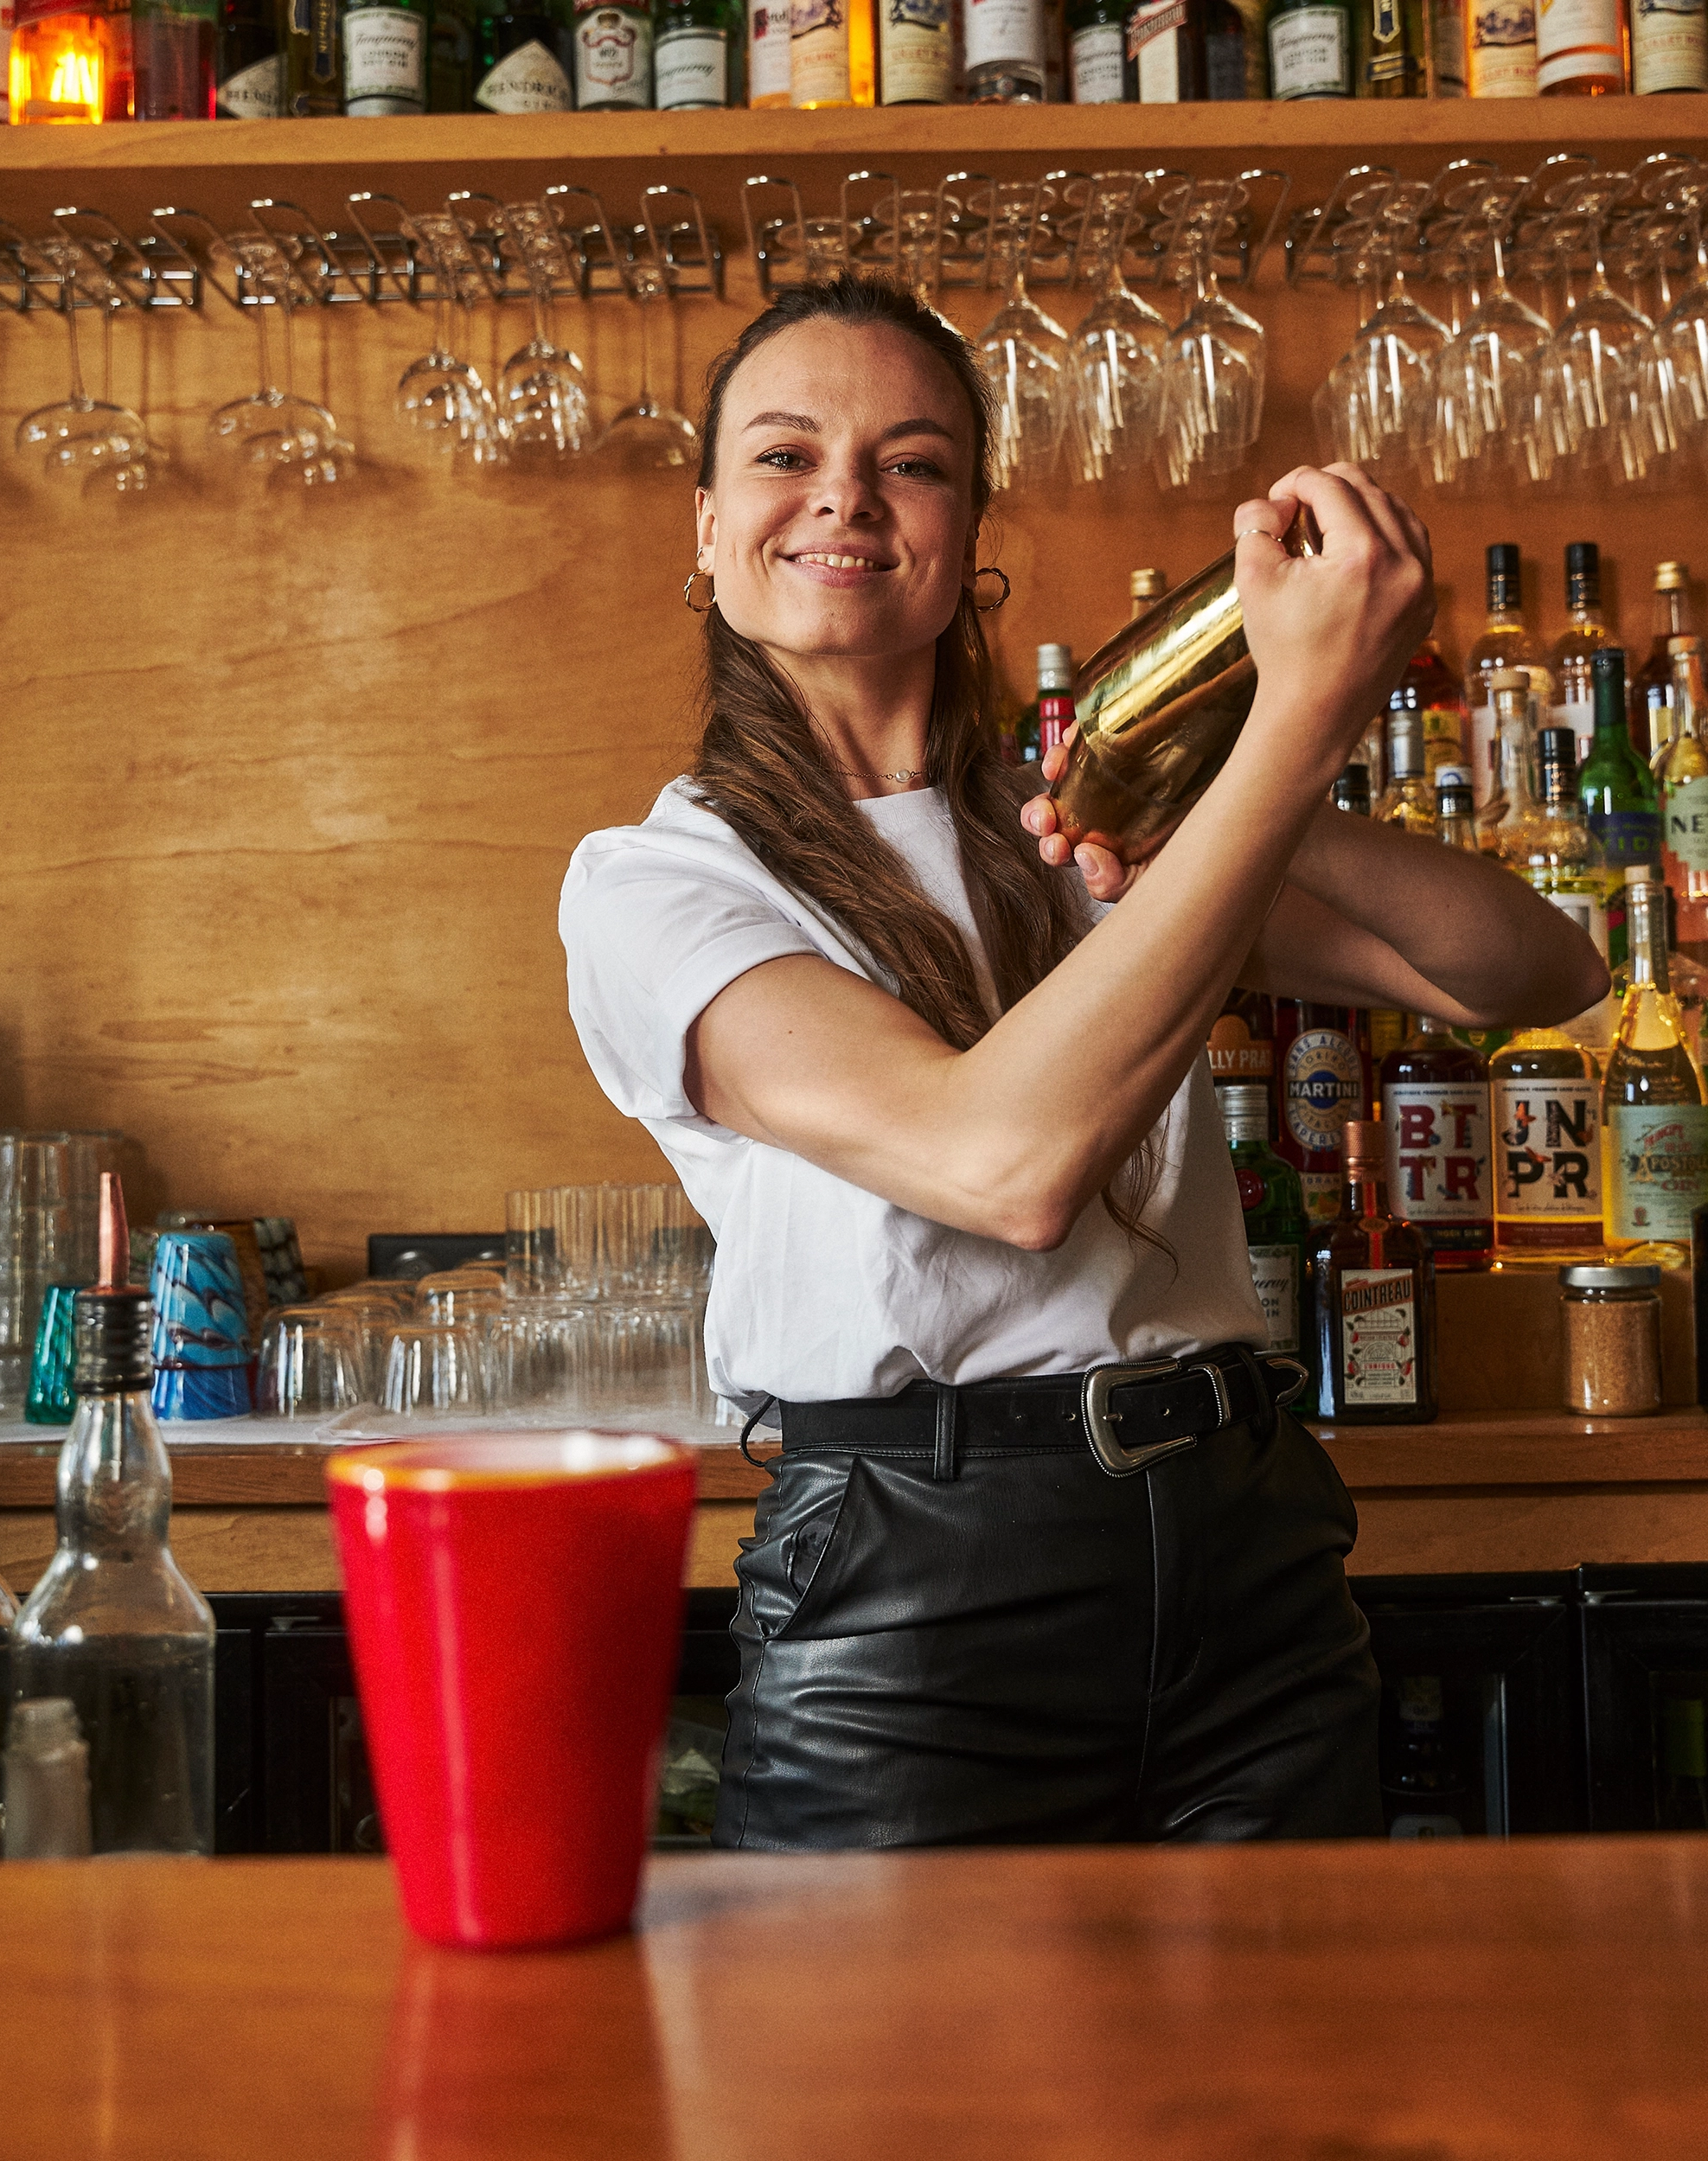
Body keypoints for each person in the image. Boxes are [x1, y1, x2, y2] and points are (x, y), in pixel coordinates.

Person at [559, 274, 1606, 1850]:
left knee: (1268, 2097)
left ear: (970, 537)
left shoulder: (1070, 831)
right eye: (784, 456)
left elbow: (1535, 969)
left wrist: (1252, 794)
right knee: (930, 2106)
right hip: (918, 1609)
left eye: (909, 461)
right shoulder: (655, 883)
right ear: (704, 534)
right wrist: (1297, 723)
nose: (844, 491)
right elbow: (1004, 1163)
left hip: (1248, 1555)